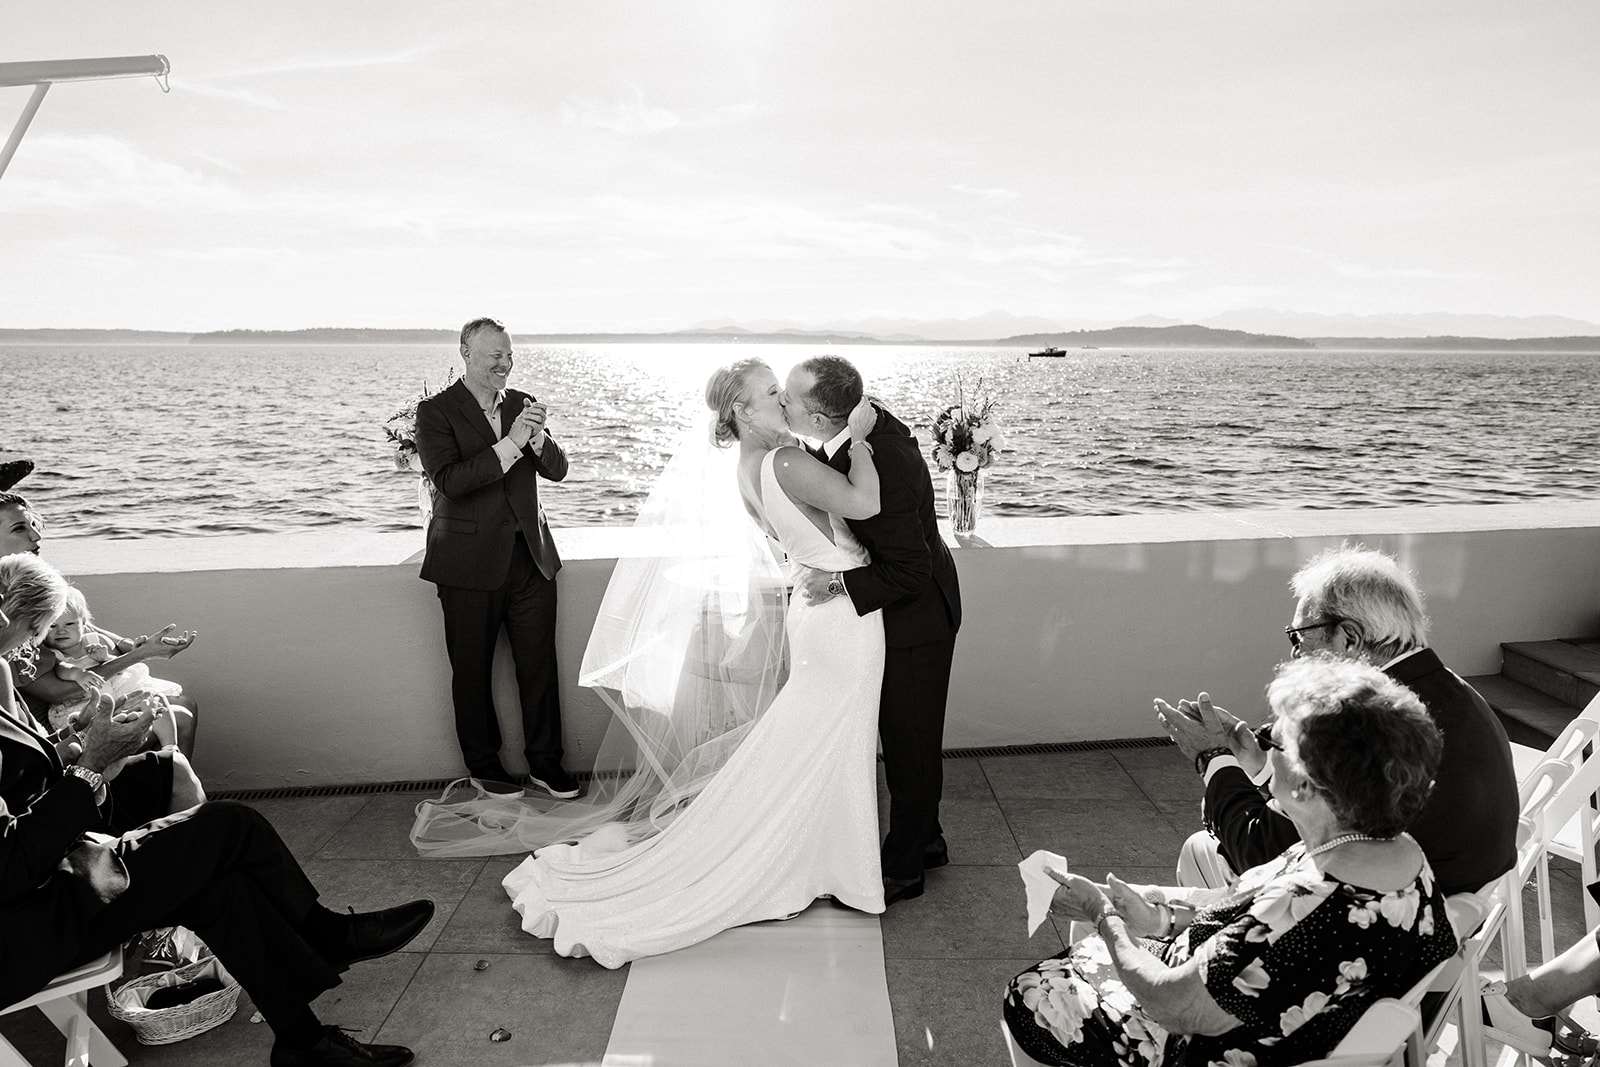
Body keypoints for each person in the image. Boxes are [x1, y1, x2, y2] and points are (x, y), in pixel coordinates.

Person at [422, 357, 887, 968]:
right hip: (841, 621)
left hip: (819, 608)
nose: (783, 400)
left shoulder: (751, 466)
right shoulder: (783, 460)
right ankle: (833, 865)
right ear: (742, 411)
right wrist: (861, 438)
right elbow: (866, 506)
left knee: (813, 741)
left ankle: (829, 858)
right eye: (771, 393)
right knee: (831, 739)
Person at [0, 553, 435, 1067]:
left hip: (56, 873)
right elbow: (9, 866)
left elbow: (24, 773)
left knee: (214, 871)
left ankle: (303, 1039)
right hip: (22, 928)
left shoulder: (2, 666)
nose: (34, 644)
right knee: (229, 826)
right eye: (34, 628)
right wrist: (92, 767)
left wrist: (84, 741)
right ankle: (327, 938)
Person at [1004, 656, 1459, 1067]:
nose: (1263, 743)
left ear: (1303, 787)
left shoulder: (1304, 909)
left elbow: (1173, 1005)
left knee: (1028, 995)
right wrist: (1161, 918)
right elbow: (1244, 916)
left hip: (1197, 1041)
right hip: (1263, 1018)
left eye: (1274, 739)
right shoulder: (1395, 853)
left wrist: (1101, 914)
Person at [1158, 544, 1518, 898]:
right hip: (1453, 907)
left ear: (1350, 638)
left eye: (1299, 637)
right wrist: (1260, 764)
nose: (1294, 653)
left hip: (1378, 924)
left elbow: (1259, 848)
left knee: (1200, 850)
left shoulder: (1363, 720)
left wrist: (1213, 759)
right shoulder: (1454, 689)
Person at [787, 355, 962, 905]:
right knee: (906, 739)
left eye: (789, 398)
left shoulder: (879, 455)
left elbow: (910, 570)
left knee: (910, 748)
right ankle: (928, 841)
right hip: (903, 609)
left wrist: (837, 587)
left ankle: (906, 869)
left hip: (918, 618)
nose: (782, 403)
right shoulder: (856, 429)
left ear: (820, 418)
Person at [414, 317, 578, 799]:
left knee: (539, 670)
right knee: (471, 672)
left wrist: (538, 441)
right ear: (466, 353)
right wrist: (509, 445)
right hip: (466, 564)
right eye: (494, 357)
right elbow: (451, 482)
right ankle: (485, 767)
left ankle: (548, 764)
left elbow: (558, 471)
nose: (505, 365)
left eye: (509, 356)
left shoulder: (523, 404)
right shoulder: (435, 412)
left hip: (531, 560)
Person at [0, 555, 204, 827]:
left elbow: (29, 749)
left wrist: (82, 726)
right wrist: (92, 757)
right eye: (41, 628)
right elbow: (21, 781)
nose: (33, 640)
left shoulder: (6, 663)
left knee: (174, 751)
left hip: (57, 766)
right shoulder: (4, 666)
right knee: (230, 816)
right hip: (43, 811)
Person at [0, 492, 201, 756]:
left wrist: (139, 647)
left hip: (66, 721)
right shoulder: (18, 607)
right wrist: (142, 654)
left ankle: (170, 783)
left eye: (34, 525)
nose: (36, 537)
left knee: (183, 705)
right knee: (179, 718)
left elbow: (92, 632)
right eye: (19, 528)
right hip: (53, 724)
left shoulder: (38, 588)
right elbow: (58, 693)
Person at [37, 583, 197, 756]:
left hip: (116, 691)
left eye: (69, 624)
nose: (61, 631)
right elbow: (62, 670)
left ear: (84, 623)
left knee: (165, 702)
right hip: (83, 705)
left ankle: (171, 752)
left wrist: (105, 658)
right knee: (177, 714)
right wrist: (78, 674)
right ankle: (169, 758)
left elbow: (118, 662)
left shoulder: (94, 639)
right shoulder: (53, 653)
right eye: (53, 626)